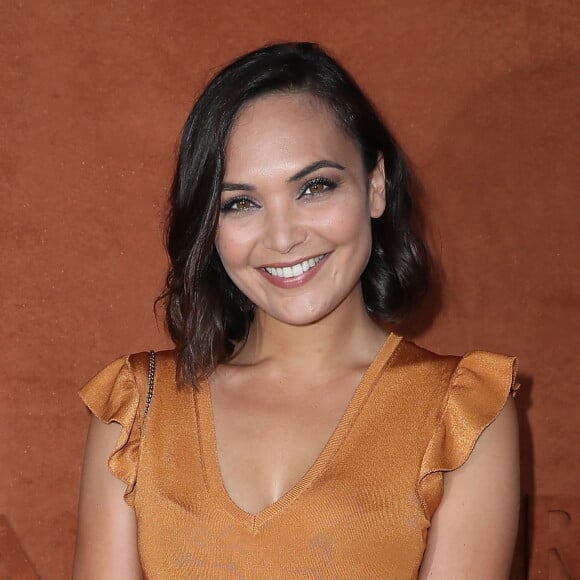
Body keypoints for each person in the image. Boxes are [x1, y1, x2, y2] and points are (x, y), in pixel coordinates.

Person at [73, 42, 520, 579]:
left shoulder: (461, 413)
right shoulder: (135, 411)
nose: (284, 237)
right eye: (241, 202)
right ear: (209, 227)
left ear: (375, 186)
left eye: (315, 187)